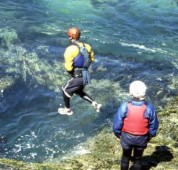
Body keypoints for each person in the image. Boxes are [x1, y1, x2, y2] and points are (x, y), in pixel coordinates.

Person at [113, 80, 159, 170]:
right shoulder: (149, 107)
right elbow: (154, 124)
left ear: (131, 93)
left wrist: (118, 134)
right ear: (144, 93)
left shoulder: (124, 106)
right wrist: (151, 135)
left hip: (126, 138)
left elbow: (117, 123)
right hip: (142, 139)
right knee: (138, 159)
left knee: (125, 157)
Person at [58, 27, 101, 115]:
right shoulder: (87, 46)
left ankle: (67, 110)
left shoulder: (70, 49)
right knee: (78, 91)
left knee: (65, 90)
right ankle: (94, 103)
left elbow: (68, 68)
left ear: (70, 37)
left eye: (69, 36)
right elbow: (92, 59)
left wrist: (72, 74)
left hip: (77, 76)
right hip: (86, 75)